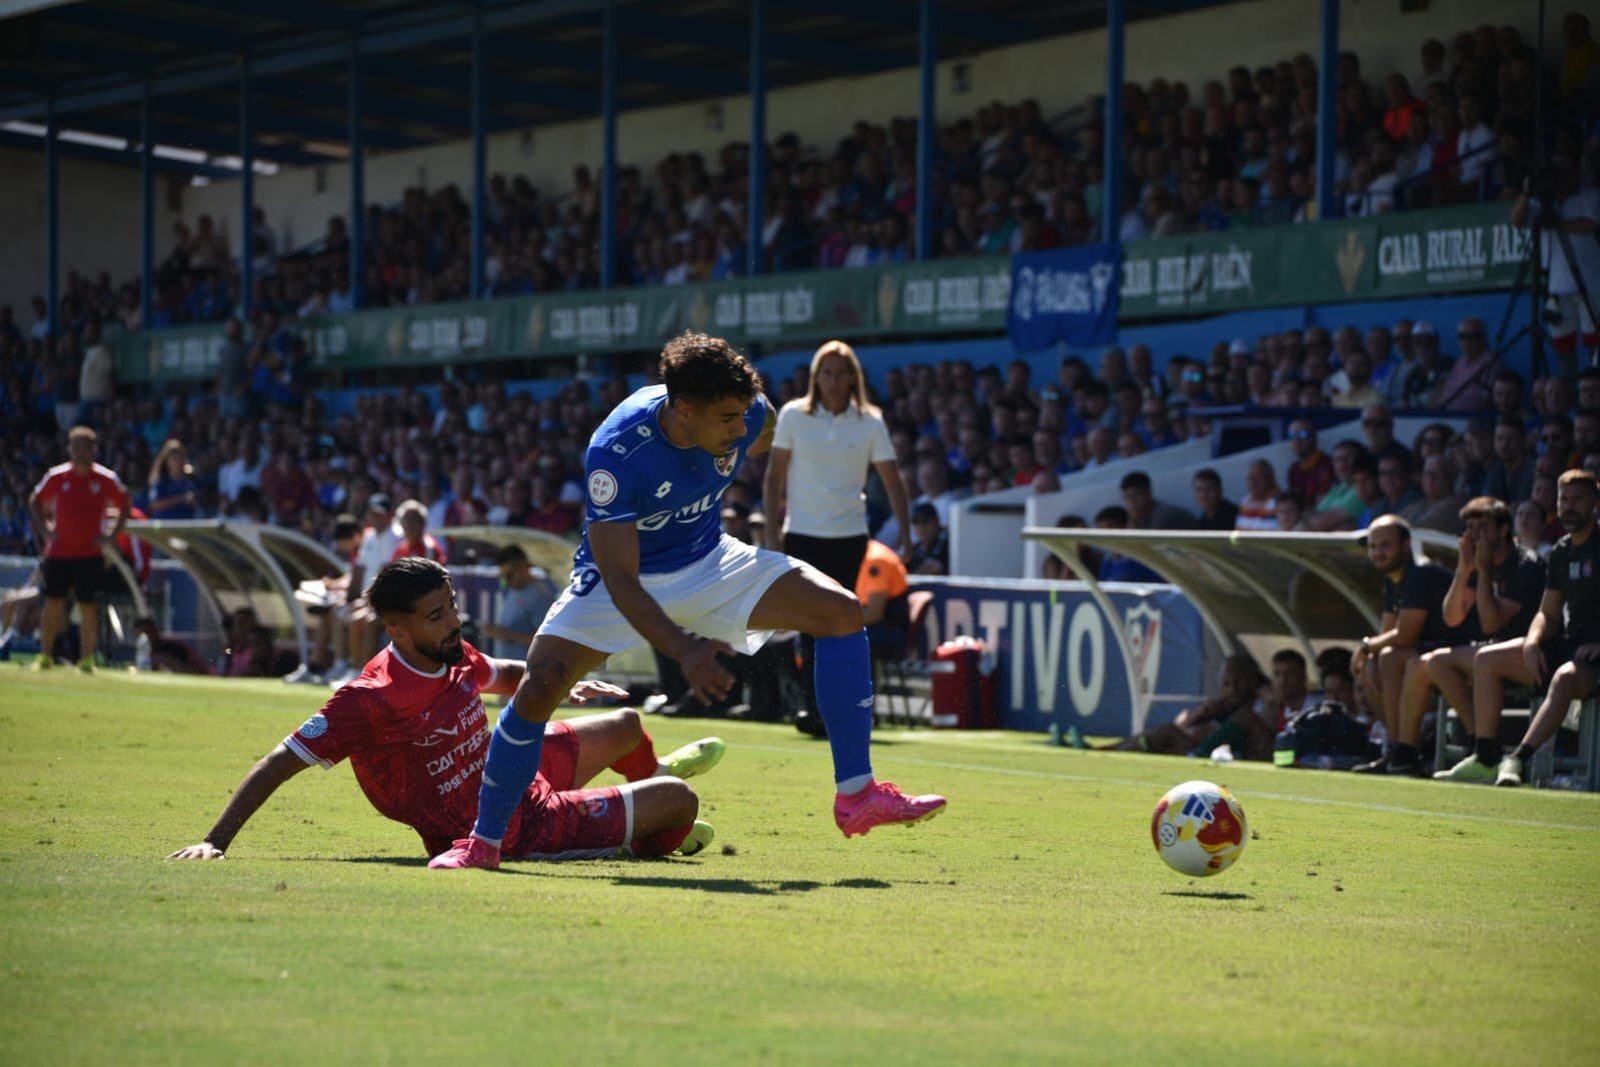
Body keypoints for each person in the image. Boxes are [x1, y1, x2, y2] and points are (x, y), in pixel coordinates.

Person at [430, 333, 945, 871]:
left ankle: (857, 796)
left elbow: (774, 435)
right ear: (683, 408)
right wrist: (685, 650)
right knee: (541, 684)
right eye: (726, 418)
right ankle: (482, 843)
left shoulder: (749, 416)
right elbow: (622, 579)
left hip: (709, 559)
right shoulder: (617, 451)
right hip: (620, 577)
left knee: (841, 611)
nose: (738, 428)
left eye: (743, 414)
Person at [169, 558, 723, 864]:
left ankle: (649, 786)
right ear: (397, 629)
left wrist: (561, 685)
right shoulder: (371, 698)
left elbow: (499, 673)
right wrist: (215, 841)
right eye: (437, 614)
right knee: (681, 801)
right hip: (512, 825)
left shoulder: (449, 649)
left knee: (627, 725)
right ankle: (653, 834)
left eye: (452, 604)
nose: (453, 620)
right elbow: (278, 761)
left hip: (511, 769)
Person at [763, 340, 911, 725]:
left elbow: (892, 480)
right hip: (802, 534)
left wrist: (907, 532)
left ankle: (832, 710)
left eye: (840, 372)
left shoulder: (870, 421)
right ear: (816, 377)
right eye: (826, 372)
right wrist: (773, 535)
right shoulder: (794, 416)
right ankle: (813, 709)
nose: (833, 380)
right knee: (807, 624)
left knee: (836, 622)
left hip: (848, 537)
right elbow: (774, 477)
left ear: (852, 378)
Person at [1461, 471, 1600, 787]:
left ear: (1596, 502)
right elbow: (1547, 613)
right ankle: (1485, 756)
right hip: (1571, 645)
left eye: (1577, 498)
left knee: (1564, 677)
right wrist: (1533, 642)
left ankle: (1517, 759)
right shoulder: (1562, 551)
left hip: (1592, 657)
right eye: (1563, 499)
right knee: (1486, 659)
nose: (1569, 506)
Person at [1426, 498, 1545, 782]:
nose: (1474, 534)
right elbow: (1451, 617)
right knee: (1438, 662)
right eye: (1469, 527)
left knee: (1484, 658)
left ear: (1503, 530)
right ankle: (1483, 748)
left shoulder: (1526, 563)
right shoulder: (1479, 563)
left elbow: (1491, 623)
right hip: (1495, 652)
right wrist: (1465, 569)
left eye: (1482, 527)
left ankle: (1486, 752)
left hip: (1533, 653)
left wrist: (1483, 570)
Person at [1350, 515, 1469, 775]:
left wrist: (1364, 647)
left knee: (1389, 657)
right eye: (1373, 546)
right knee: (1370, 668)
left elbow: (1404, 636)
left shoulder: (1420, 573)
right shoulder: (1394, 580)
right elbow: (1388, 633)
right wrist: (1368, 652)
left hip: (1459, 649)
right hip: (1425, 652)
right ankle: (1395, 750)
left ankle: (1405, 751)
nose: (1377, 553)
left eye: (1385, 546)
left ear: (1405, 545)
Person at [28, 426, 130, 671]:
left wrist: (111, 536)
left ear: (94, 450)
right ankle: (45, 656)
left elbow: (125, 503)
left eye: (86, 448)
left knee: (88, 607)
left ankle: (87, 659)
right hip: (59, 553)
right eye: (77, 447)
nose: (81, 453)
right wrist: (44, 531)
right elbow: (35, 500)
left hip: (89, 555)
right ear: (69, 449)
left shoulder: (106, 479)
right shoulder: (57, 476)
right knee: (52, 604)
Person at [1072, 654, 1277, 761]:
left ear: (1252, 681)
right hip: (1213, 754)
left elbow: (1267, 728)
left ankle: (1104, 751)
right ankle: (1101, 750)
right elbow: (1181, 724)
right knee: (1169, 730)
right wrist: (1201, 713)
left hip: (1245, 757)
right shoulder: (1223, 705)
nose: (1233, 689)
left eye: (1239, 682)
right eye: (1226, 684)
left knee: (1167, 732)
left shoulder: (1260, 704)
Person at [480, 544, 557, 661]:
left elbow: (546, 641)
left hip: (528, 670)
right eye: (503, 576)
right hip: (510, 670)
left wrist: (506, 635)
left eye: (509, 575)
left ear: (523, 567)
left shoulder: (541, 595)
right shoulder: (511, 588)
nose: (506, 580)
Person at [146, 439, 199, 520]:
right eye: (174, 458)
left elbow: (197, 503)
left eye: (179, 458)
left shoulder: (189, 480)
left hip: (186, 526)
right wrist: (181, 499)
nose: (177, 462)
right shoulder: (160, 482)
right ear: (166, 461)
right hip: (165, 527)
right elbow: (155, 505)